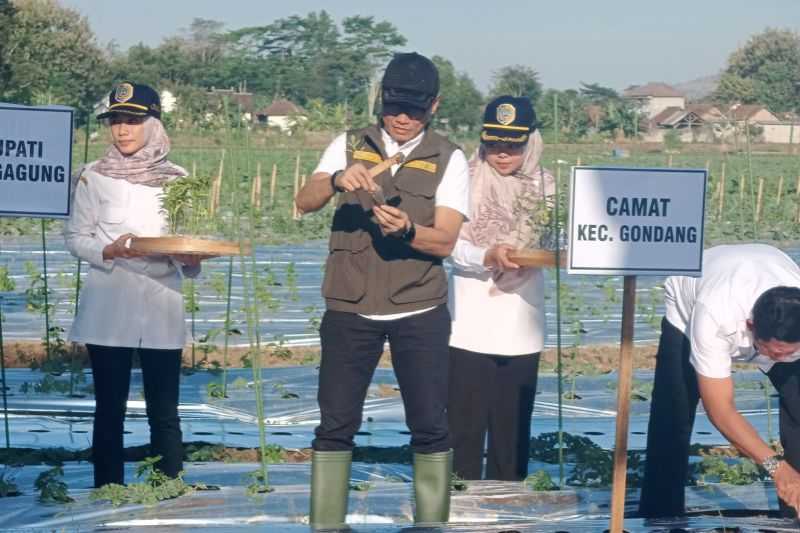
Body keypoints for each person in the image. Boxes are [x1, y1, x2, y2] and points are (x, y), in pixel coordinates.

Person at [295, 52, 470, 529]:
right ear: (381, 100)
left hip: (419, 308)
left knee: (430, 425)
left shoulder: (449, 157)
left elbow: (448, 239)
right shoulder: (349, 143)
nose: (402, 116)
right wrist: (333, 180)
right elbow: (303, 200)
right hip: (350, 307)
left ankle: (430, 523)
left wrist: (410, 230)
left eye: (414, 108)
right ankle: (327, 524)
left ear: (433, 105)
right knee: (335, 426)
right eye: (394, 105)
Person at [64, 82, 203, 488]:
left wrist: (190, 259)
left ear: (154, 124)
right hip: (111, 299)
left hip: (161, 300)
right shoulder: (94, 177)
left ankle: (169, 486)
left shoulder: (178, 180)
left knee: (165, 407)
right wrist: (109, 251)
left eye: (133, 121)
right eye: (116, 122)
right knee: (110, 406)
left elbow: (185, 241)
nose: (122, 130)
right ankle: (108, 489)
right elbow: (76, 238)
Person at [639, 243, 800, 518]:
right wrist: (776, 467)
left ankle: (794, 506)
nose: (779, 358)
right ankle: (661, 515)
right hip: (689, 304)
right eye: (773, 351)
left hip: (768, 261)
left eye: (790, 352)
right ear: (751, 327)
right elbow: (721, 410)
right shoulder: (714, 314)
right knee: (672, 415)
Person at [447, 96, 555, 481]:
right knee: (464, 423)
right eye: (495, 144)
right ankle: (458, 509)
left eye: (514, 144)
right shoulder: (464, 180)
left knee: (511, 429)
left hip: (520, 320)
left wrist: (536, 255)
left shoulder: (545, 187)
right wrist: (487, 254)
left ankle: (509, 510)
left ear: (530, 143)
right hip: (469, 321)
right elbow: (449, 243)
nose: (503, 153)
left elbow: (553, 243)